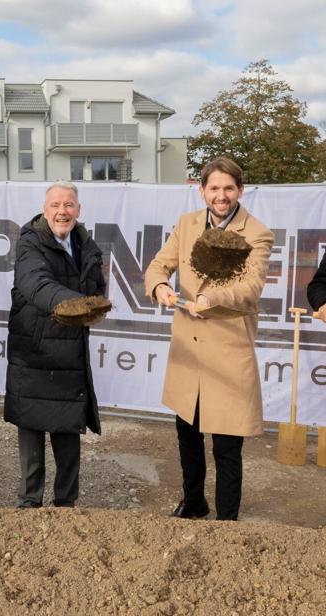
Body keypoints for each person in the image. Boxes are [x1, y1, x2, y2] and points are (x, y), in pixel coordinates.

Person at [144, 157, 274, 521]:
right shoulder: (186, 225)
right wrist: (160, 288)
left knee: (227, 446)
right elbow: (159, 266)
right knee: (187, 434)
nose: (221, 195)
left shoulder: (257, 233)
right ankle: (194, 501)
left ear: (240, 191)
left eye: (228, 188)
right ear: (201, 191)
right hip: (189, 350)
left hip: (228, 351)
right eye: (214, 188)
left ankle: (226, 521)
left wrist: (210, 299)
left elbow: (251, 288)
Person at [4, 181, 106, 508]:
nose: (62, 211)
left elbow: (97, 291)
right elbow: (36, 285)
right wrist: (81, 306)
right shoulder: (30, 244)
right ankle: (28, 507)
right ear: (45, 210)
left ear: (79, 210)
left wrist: (95, 307)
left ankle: (65, 508)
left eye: (69, 205)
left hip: (70, 357)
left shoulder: (88, 246)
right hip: (34, 354)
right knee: (32, 441)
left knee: (68, 440)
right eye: (55, 206)